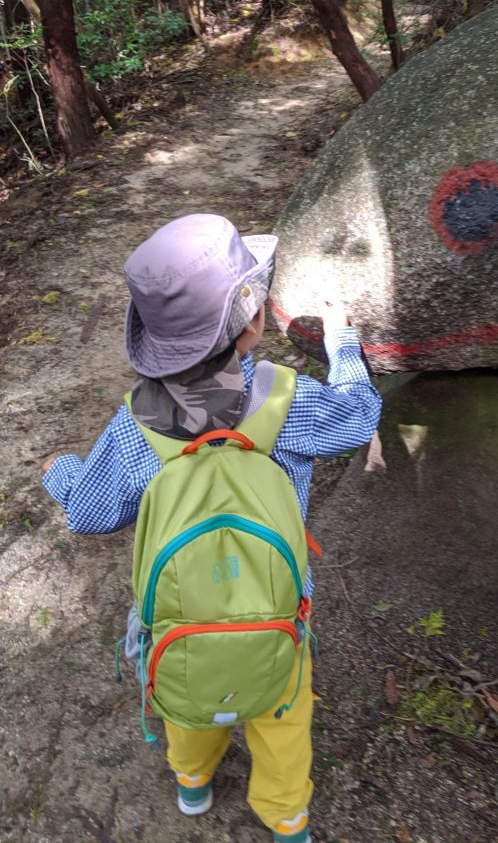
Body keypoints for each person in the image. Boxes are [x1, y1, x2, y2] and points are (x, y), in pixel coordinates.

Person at [42, 213, 382, 843]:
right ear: (252, 321)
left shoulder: (136, 425)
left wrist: (62, 473)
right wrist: (343, 347)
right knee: (283, 714)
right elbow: (359, 418)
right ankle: (288, 819)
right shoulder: (288, 399)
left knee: (188, 695)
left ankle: (193, 782)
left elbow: (89, 513)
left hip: (180, 620)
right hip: (278, 608)